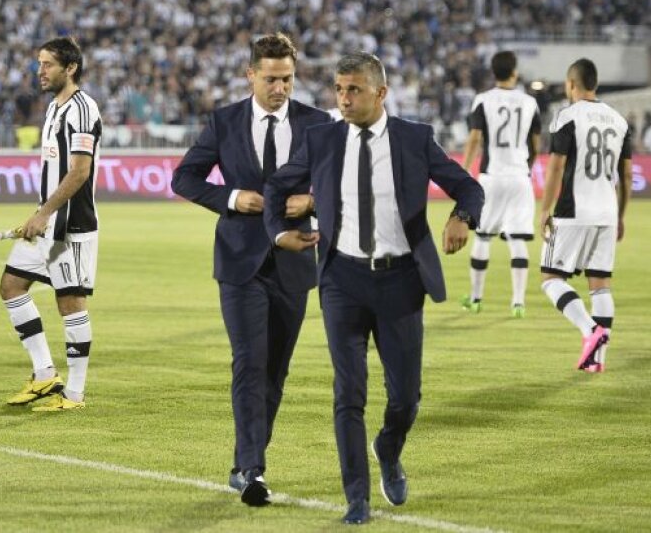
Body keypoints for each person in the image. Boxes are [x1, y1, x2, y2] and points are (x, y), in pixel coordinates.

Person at [265, 52, 482, 525]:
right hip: (342, 278)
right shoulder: (321, 139)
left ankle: (388, 446)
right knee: (349, 392)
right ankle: (356, 498)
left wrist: (461, 218)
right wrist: (279, 232)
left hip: (402, 280)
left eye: (354, 90)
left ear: (381, 93)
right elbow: (278, 188)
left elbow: (469, 189)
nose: (344, 99)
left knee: (406, 397)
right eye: (339, 89)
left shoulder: (414, 138)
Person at [171, 33, 331, 507]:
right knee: (249, 361)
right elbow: (184, 177)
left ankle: (249, 458)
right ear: (250, 75)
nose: (280, 88)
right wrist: (231, 198)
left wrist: (314, 200)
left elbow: (342, 182)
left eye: (287, 79)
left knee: (275, 371)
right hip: (241, 263)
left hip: (295, 262)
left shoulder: (318, 124)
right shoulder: (224, 122)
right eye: (270, 79)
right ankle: (251, 469)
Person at [0, 37, 102, 411]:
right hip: (47, 220)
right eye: (39, 64)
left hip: (71, 225)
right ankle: (44, 374)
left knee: (70, 303)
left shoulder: (82, 110)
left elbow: (79, 173)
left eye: (47, 64)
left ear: (70, 67)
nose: (39, 71)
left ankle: (74, 393)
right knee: (11, 286)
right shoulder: (54, 109)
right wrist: (41, 211)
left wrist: (44, 214)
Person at [538, 59, 632, 373]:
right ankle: (597, 361)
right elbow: (627, 175)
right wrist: (621, 214)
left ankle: (590, 331)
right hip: (606, 210)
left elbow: (556, 166)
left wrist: (544, 208)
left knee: (551, 279)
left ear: (571, 85)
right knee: (600, 285)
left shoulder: (567, 116)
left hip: (572, 210)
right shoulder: (619, 120)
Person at [459, 51, 541, 317]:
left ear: (493, 73)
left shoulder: (483, 100)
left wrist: (464, 170)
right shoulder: (530, 102)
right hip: (519, 176)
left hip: (491, 176)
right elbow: (536, 143)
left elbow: (474, 139)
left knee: (483, 236)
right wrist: (527, 166)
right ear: (514, 72)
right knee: (517, 239)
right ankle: (518, 303)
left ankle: (475, 298)